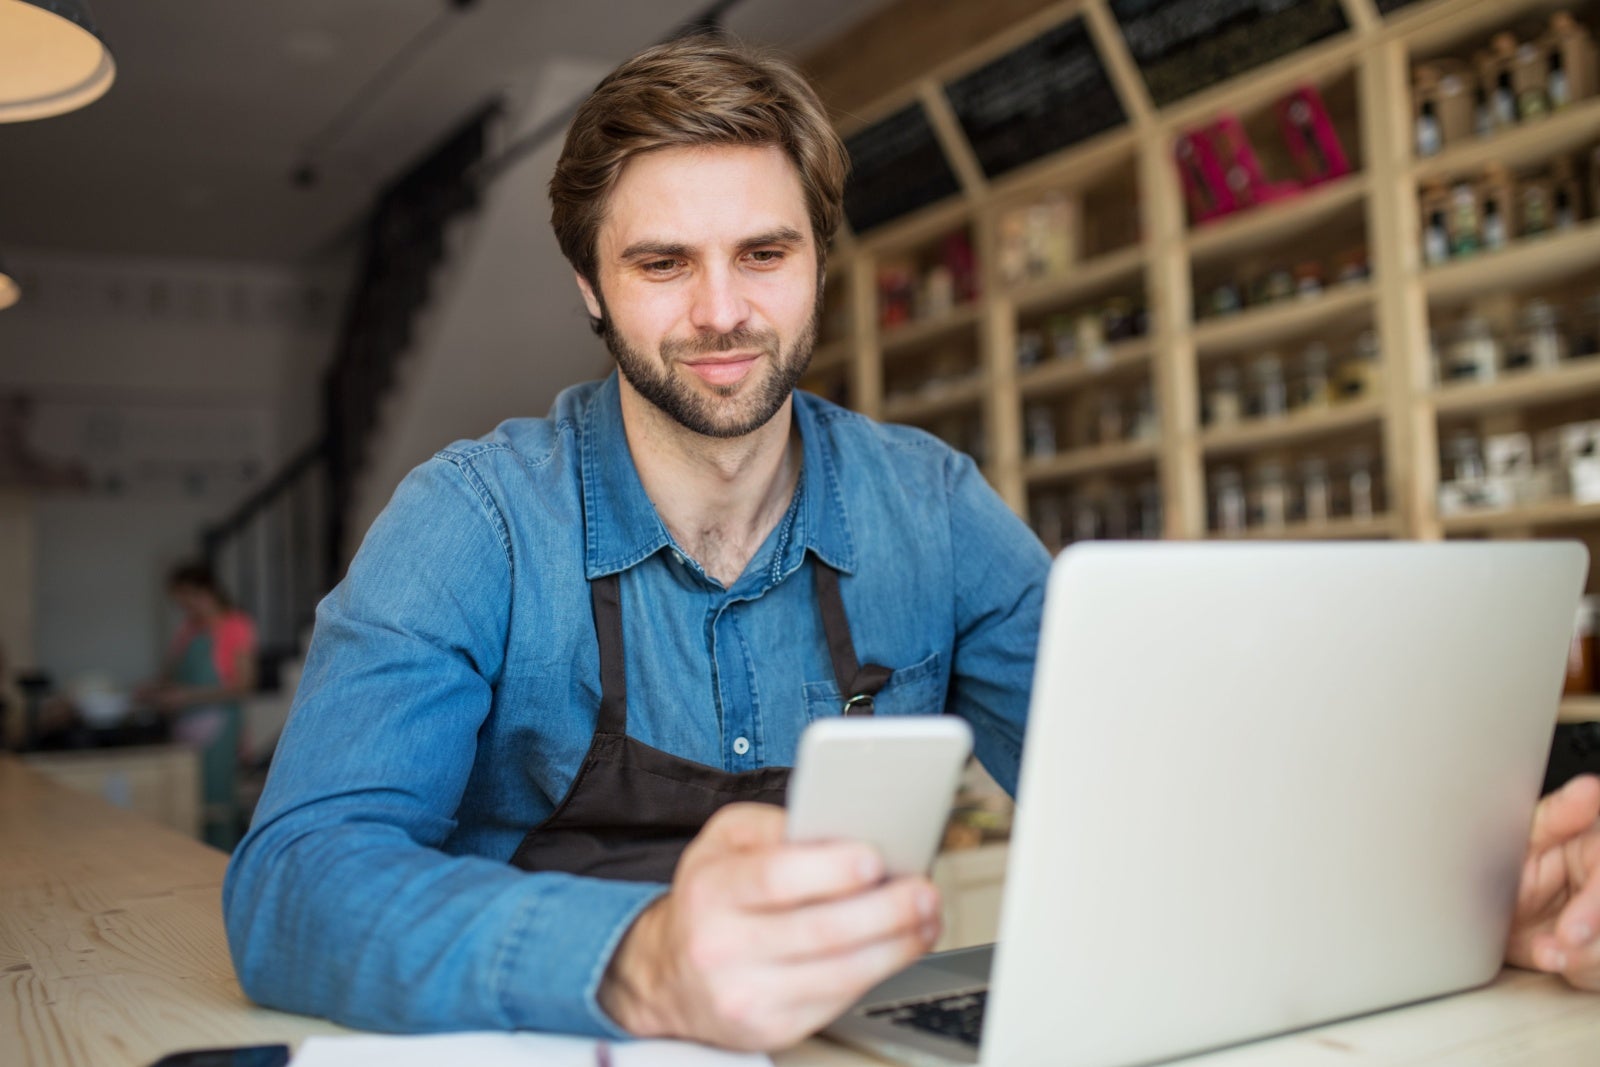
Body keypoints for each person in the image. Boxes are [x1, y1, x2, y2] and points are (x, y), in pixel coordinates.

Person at [223, 35, 1600, 1051]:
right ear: (588, 284)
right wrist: (636, 955)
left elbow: (1171, 786)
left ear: (822, 260)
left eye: (764, 253)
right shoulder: (468, 520)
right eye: (660, 264)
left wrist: (1470, 894)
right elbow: (292, 880)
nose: (721, 311)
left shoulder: (930, 506)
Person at [139, 561, 258, 849]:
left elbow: (243, 686)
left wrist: (186, 697)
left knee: (216, 806)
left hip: (219, 728)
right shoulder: (187, 631)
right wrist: (151, 691)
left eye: (186, 600)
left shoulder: (236, 626)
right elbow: (170, 675)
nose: (184, 608)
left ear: (205, 592)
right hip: (184, 727)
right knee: (185, 804)